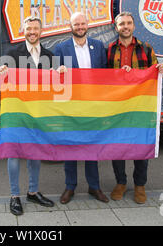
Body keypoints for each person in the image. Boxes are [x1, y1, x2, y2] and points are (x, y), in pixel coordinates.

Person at [107, 11, 163, 204]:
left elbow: (156, 73)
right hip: (116, 107)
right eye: (121, 23)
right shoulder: (110, 49)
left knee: (140, 146)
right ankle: (121, 183)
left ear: (133, 26)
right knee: (117, 147)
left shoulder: (145, 48)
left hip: (140, 107)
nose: (125, 26)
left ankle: (140, 185)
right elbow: (103, 77)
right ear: (116, 27)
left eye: (128, 23)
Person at [0, 16, 55, 216]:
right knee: (13, 153)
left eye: (36, 28)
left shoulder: (49, 55)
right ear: (24, 31)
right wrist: (2, 73)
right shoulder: (12, 54)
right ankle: (14, 196)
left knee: (35, 152)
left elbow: (57, 86)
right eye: (29, 28)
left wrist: (62, 72)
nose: (32, 32)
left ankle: (33, 191)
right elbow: (1, 83)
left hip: (39, 113)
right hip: (16, 112)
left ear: (41, 31)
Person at [54, 12, 109, 204]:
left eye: (82, 23)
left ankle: (94, 187)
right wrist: (57, 71)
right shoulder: (60, 48)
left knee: (91, 148)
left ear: (88, 25)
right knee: (70, 147)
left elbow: (107, 76)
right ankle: (70, 187)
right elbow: (52, 77)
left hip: (93, 107)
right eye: (76, 24)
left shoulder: (99, 47)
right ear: (70, 26)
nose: (80, 27)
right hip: (70, 107)